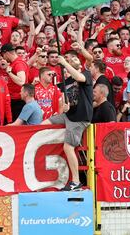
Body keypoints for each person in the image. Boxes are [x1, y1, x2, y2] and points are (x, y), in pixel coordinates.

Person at [42, 53, 93, 192]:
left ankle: (76, 182)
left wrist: (64, 62)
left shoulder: (85, 73)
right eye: (70, 59)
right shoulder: (66, 81)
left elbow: (79, 77)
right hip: (69, 115)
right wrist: (65, 105)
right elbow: (66, 101)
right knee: (42, 125)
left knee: (68, 147)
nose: (72, 60)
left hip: (80, 118)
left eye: (75, 59)